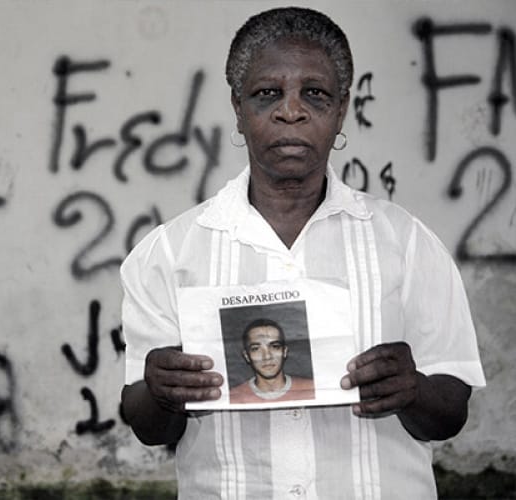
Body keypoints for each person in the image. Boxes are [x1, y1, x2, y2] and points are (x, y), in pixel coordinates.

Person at [120, 6, 486, 499]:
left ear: (341, 109)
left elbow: (450, 412)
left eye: (314, 93)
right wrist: (161, 393)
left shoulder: (407, 243)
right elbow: (148, 426)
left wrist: (413, 389)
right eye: (267, 93)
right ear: (237, 108)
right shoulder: (167, 252)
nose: (290, 111)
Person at [229, 318, 315, 404]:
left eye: (274, 346)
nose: (267, 356)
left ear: (284, 351)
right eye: (256, 349)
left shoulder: (312, 389)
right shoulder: (233, 398)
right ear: (247, 356)